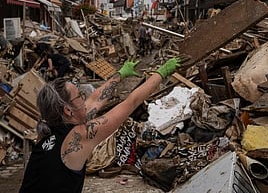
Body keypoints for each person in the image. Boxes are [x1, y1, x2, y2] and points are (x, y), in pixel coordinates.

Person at [19, 57, 181, 192]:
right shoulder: (79, 136)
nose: (84, 99)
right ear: (68, 110)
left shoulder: (54, 128)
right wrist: (161, 73)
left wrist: (121, 74)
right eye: (80, 96)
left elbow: (95, 99)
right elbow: (131, 103)